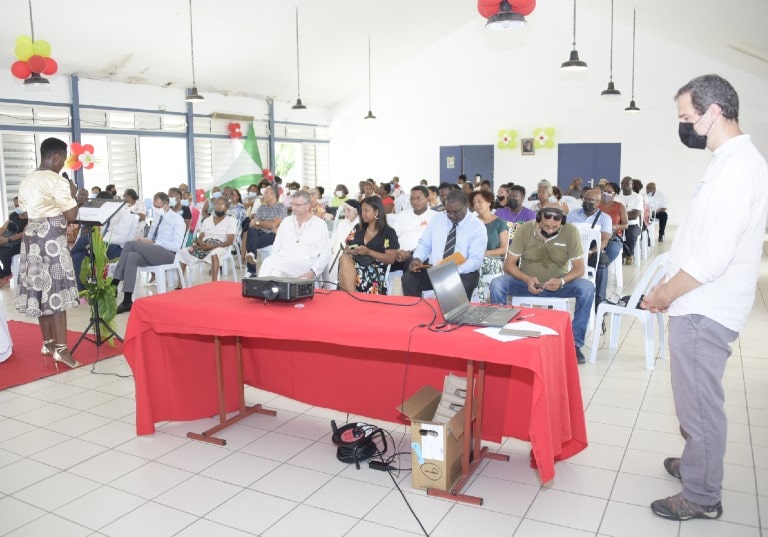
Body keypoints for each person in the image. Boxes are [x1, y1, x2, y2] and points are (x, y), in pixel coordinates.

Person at [642, 74, 768, 522]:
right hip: (698, 303)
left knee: (699, 405)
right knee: (691, 400)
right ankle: (698, 462)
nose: (685, 126)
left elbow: (713, 257)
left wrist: (662, 295)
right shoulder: (727, 161)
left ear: (713, 113)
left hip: (704, 306)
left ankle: (701, 494)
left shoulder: (738, 168)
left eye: (687, 117)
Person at [489, 202, 594, 364]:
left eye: (555, 227)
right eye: (546, 225)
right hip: (525, 283)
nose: (550, 229)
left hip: (559, 285)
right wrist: (527, 279)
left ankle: (575, 343)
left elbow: (579, 269)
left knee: (587, 288)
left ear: (563, 222)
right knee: (497, 284)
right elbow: (508, 264)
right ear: (538, 218)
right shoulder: (524, 230)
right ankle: (500, 334)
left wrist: (561, 280)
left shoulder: (570, 232)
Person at [16, 137, 80, 369]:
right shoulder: (57, 181)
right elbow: (71, 216)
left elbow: (25, 209)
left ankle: (48, 344)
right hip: (51, 239)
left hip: (31, 237)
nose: (63, 164)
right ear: (55, 157)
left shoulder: (27, 179)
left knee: (39, 291)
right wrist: (74, 195)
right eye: (62, 159)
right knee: (56, 294)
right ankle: (62, 352)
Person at [402, 190, 486, 300]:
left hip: (462, 271)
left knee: (464, 285)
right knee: (409, 279)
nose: (451, 215)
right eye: (448, 211)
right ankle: (416, 314)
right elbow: (425, 244)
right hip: (436, 269)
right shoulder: (437, 219)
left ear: (466, 206)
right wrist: (418, 258)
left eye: (456, 212)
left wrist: (452, 271)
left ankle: (457, 316)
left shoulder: (477, 226)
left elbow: (475, 260)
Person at [112, 192, 186, 314]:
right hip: (153, 252)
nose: (156, 209)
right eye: (154, 206)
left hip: (168, 255)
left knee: (129, 244)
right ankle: (127, 300)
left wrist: (154, 242)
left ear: (166, 205)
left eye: (158, 207)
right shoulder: (157, 218)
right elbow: (151, 237)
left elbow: (176, 246)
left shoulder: (177, 220)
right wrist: (144, 240)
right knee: (132, 256)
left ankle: (114, 283)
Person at [258, 190, 331, 279]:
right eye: (292, 204)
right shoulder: (286, 221)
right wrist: (277, 259)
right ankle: (264, 292)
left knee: (269, 262)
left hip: (305, 264)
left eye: (297, 205)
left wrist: (313, 272)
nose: (293, 207)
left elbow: (326, 253)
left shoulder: (319, 224)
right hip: (283, 262)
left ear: (307, 205)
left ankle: (256, 290)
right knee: (275, 272)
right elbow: (276, 246)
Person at [70, 191, 134, 292]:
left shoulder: (125, 215)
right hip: (100, 247)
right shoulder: (103, 213)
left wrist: (99, 240)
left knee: (85, 239)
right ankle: (81, 290)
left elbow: (123, 238)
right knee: (77, 256)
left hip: (116, 249)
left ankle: (69, 254)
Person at [568, 187, 618, 306]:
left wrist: (590, 252)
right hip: (571, 251)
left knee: (601, 265)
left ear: (598, 203)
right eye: (585, 199)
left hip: (591, 251)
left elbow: (604, 240)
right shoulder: (573, 213)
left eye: (591, 200)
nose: (587, 202)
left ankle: (599, 301)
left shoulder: (604, 218)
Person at [338, 196, 399, 294]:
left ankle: (351, 298)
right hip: (354, 266)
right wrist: (352, 251)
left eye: (366, 210)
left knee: (344, 267)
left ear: (377, 212)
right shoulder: (357, 228)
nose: (363, 214)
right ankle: (353, 297)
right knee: (344, 258)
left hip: (374, 271)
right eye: (361, 211)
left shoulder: (388, 232)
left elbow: (391, 259)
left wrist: (369, 252)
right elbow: (346, 249)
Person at [176, 196, 237, 282]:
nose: (218, 206)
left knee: (214, 253)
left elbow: (230, 241)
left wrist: (212, 246)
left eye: (222, 205)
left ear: (227, 208)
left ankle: (214, 283)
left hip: (221, 246)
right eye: (216, 204)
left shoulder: (230, 220)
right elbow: (200, 236)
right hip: (205, 245)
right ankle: (180, 283)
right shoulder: (207, 220)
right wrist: (201, 244)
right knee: (182, 252)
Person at [470, 191, 508, 302]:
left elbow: (504, 249)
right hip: (474, 259)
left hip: (493, 260)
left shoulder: (499, 223)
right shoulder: (472, 222)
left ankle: (479, 300)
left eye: (479, 202)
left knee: (479, 263)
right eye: (474, 203)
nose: (476, 205)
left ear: (489, 202)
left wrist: (484, 253)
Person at [244, 184, 287, 275]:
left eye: (266, 193)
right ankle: (251, 255)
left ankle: (251, 271)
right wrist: (263, 224)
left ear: (273, 194)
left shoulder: (281, 208)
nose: (264, 195)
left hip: (273, 236)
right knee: (251, 230)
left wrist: (259, 223)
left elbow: (273, 225)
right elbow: (253, 224)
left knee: (251, 241)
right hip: (258, 233)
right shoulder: (261, 208)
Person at [324, 199, 360, 290]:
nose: (346, 213)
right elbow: (333, 239)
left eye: (349, 210)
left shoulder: (359, 225)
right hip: (334, 253)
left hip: (347, 255)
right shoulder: (342, 223)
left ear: (356, 211)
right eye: (344, 210)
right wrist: (328, 248)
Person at [0, 197, 28, 286]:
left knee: (4, 254)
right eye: (16, 205)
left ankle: (7, 274)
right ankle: (2, 276)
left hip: (21, 243)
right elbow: (4, 228)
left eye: (19, 205)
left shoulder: (31, 217)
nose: (17, 207)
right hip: (8, 240)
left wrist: (7, 240)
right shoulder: (13, 215)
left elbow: (25, 233)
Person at [617, 176, 644, 264]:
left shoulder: (638, 197)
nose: (624, 185)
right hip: (619, 224)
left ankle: (630, 254)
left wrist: (620, 215)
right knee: (613, 235)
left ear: (632, 185)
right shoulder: (617, 197)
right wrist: (625, 214)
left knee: (630, 234)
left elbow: (635, 215)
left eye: (627, 183)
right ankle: (620, 254)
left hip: (633, 224)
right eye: (622, 183)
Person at [600, 182, 629, 259]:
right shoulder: (596, 204)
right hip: (597, 233)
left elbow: (626, 225)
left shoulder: (620, 206)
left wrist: (615, 226)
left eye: (609, 192)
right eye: (604, 191)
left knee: (612, 249)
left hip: (614, 236)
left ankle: (603, 265)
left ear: (615, 194)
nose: (606, 193)